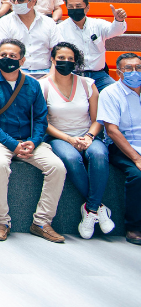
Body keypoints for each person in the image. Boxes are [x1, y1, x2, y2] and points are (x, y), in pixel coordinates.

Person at [0, 39, 66, 243]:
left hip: (27, 140)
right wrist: (12, 145)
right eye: (3, 55)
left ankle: (42, 222)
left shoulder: (33, 85)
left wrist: (33, 142)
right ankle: (1, 222)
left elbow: (42, 119)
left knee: (57, 167)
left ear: (22, 60)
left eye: (13, 56)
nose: (7, 59)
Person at [39, 42, 113, 239]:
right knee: (71, 159)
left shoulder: (88, 84)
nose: (65, 62)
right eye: (61, 58)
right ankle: (99, 208)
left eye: (70, 59)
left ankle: (90, 210)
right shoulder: (43, 85)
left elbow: (98, 119)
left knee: (98, 154)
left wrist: (89, 136)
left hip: (87, 134)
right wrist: (69, 139)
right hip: (60, 137)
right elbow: (43, 123)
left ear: (76, 62)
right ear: (53, 60)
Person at [96, 52, 141, 245]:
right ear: (119, 72)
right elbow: (112, 131)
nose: (134, 72)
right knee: (137, 175)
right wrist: (137, 159)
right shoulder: (110, 93)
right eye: (128, 68)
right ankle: (134, 227)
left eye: (138, 68)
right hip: (122, 146)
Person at [56, 0, 127, 92]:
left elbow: (116, 30)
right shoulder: (59, 29)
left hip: (99, 76)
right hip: (72, 74)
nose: (74, 9)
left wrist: (119, 20)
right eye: (70, 7)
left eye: (78, 6)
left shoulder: (98, 24)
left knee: (117, 93)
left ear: (87, 7)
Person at [0, 0, 58, 79]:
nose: (16, 3)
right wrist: (22, 75)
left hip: (46, 73)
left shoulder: (49, 23)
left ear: (33, 1)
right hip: (14, 73)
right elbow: (1, 53)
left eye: (20, 0)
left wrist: (51, 75)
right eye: (13, 0)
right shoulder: (5, 21)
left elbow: (57, 52)